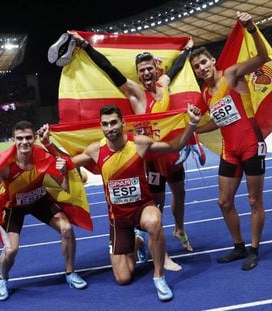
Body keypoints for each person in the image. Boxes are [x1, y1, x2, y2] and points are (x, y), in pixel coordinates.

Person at [67, 31, 196, 270]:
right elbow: (110, 69)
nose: (146, 73)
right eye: (142, 70)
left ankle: (179, 228)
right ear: (137, 73)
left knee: (180, 192)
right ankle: (162, 252)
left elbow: (177, 68)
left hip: (171, 152)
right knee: (156, 206)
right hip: (151, 157)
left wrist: (187, 50)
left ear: (156, 69)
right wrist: (85, 46)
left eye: (150, 68)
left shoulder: (164, 84)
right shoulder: (135, 92)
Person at [66, 104, 201, 301]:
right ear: (101, 127)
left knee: (154, 222)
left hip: (142, 208)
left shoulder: (139, 144)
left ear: (123, 123)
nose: (110, 127)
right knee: (123, 278)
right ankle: (138, 241)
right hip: (118, 218)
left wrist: (192, 123)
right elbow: (68, 164)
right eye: (105, 124)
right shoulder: (96, 150)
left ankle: (159, 277)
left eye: (113, 122)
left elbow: (174, 146)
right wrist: (48, 144)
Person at [189, 12, 269, 271]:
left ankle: (254, 249)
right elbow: (219, 121)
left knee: (254, 201)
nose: (202, 68)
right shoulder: (205, 93)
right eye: (197, 67)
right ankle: (239, 247)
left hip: (250, 144)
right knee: (224, 202)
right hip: (229, 149)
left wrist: (252, 29)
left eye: (204, 62)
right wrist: (196, 130)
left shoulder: (231, 75)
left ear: (213, 61)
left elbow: (262, 58)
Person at [0, 120, 87, 301]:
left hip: (39, 200)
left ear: (34, 138)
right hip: (15, 206)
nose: (24, 142)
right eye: (19, 138)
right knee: (11, 250)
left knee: (67, 229)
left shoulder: (42, 157)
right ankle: (2, 279)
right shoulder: (5, 166)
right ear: (13, 139)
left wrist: (64, 173)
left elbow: (65, 188)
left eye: (28, 137)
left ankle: (70, 273)